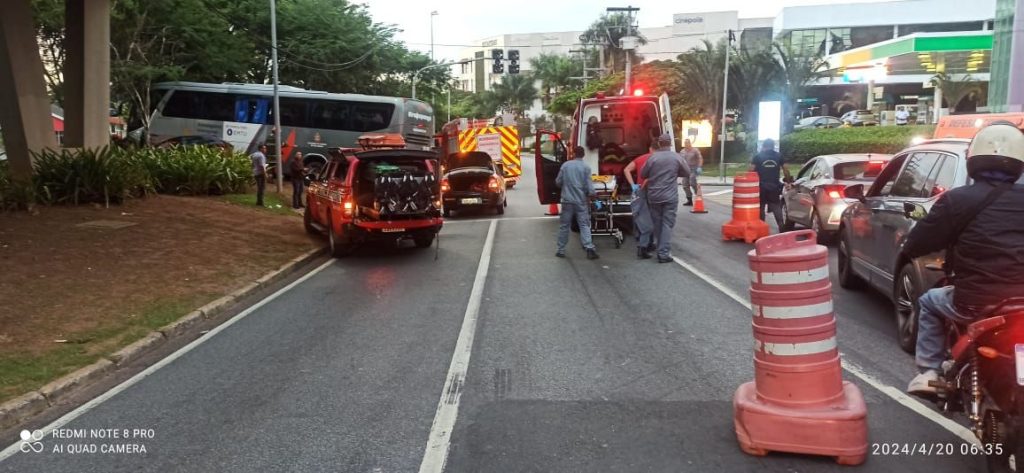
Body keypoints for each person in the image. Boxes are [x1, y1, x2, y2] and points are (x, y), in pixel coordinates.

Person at [903, 123, 1024, 395]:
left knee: (928, 302)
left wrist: (910, 248)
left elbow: (918, 242)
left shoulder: (956, 200)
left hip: (976, 301)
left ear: (974, 160)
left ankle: (929, 371)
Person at [640, 133, 691, 263]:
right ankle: (663, 253)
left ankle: (660, 247)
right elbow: (687, 172)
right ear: (670, 143)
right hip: (670, 196)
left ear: (659, 144)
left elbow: (643, 174)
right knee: (667, 224)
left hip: (654, 196)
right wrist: (674, 173)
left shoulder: (652, 158)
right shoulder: (676, 157)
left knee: (658, 224)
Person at [555, 146, 599, 260]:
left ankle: (561, 250)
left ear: (573, 154)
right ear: (583, 155)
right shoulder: (586, 167)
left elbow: (558, 182)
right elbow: (589, 186)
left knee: (564, 225)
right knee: (584, 225)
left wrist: (565, 186)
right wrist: (593, 197)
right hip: (581, 201)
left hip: (567, 201)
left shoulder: (565, 166)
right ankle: (589, 248)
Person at [749, 139, 791, 231]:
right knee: (776, 205)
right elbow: (786, 169)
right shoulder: (779, 156)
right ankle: (781, 226)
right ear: (773, 146)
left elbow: (751, 170)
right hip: (774, 186)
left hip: (760, 186)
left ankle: (761, 228)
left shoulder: (758, 156)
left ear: (763, 146)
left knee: (761, 206)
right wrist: (788, 181)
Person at [624, 144, 657, 258]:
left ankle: (646, 242)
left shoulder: (641, 158)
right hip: (653, 191)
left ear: (650, 148)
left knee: (640, 216)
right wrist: (644, 184)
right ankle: (644, 246)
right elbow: (649, 177)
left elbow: (626, 169)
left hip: (639, 191)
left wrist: (633, 184)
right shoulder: (657, 160)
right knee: (650, 220)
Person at [681, 139, 704, 206]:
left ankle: (698, 196)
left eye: (687, 143)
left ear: (690, 143)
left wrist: (699, 166)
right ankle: (689, 200)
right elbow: (680, 160)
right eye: (685, 143)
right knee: (685, 185)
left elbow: (700, 158)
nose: (686, 144)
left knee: (692, 182)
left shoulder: (695, 150)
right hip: (686, 170)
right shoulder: (682, 151)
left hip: (694, 169)